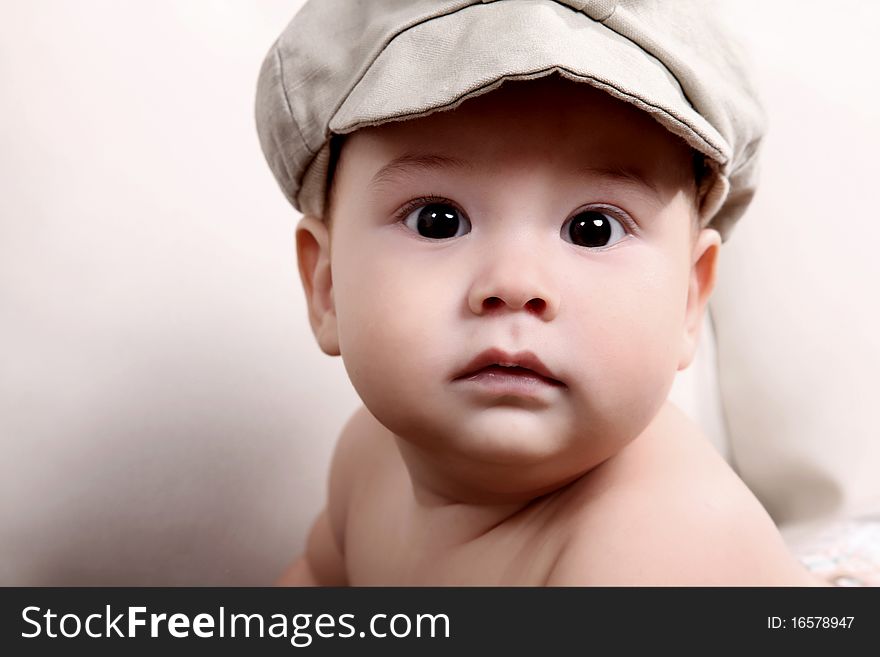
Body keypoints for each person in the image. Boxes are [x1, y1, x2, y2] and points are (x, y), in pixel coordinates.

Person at [255, 0, 820, 585]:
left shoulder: (658, 541)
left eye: (592, 229)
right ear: (326, 287)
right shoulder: (368, 458)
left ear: (688, 300)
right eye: (437, 221)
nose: (515, 284)